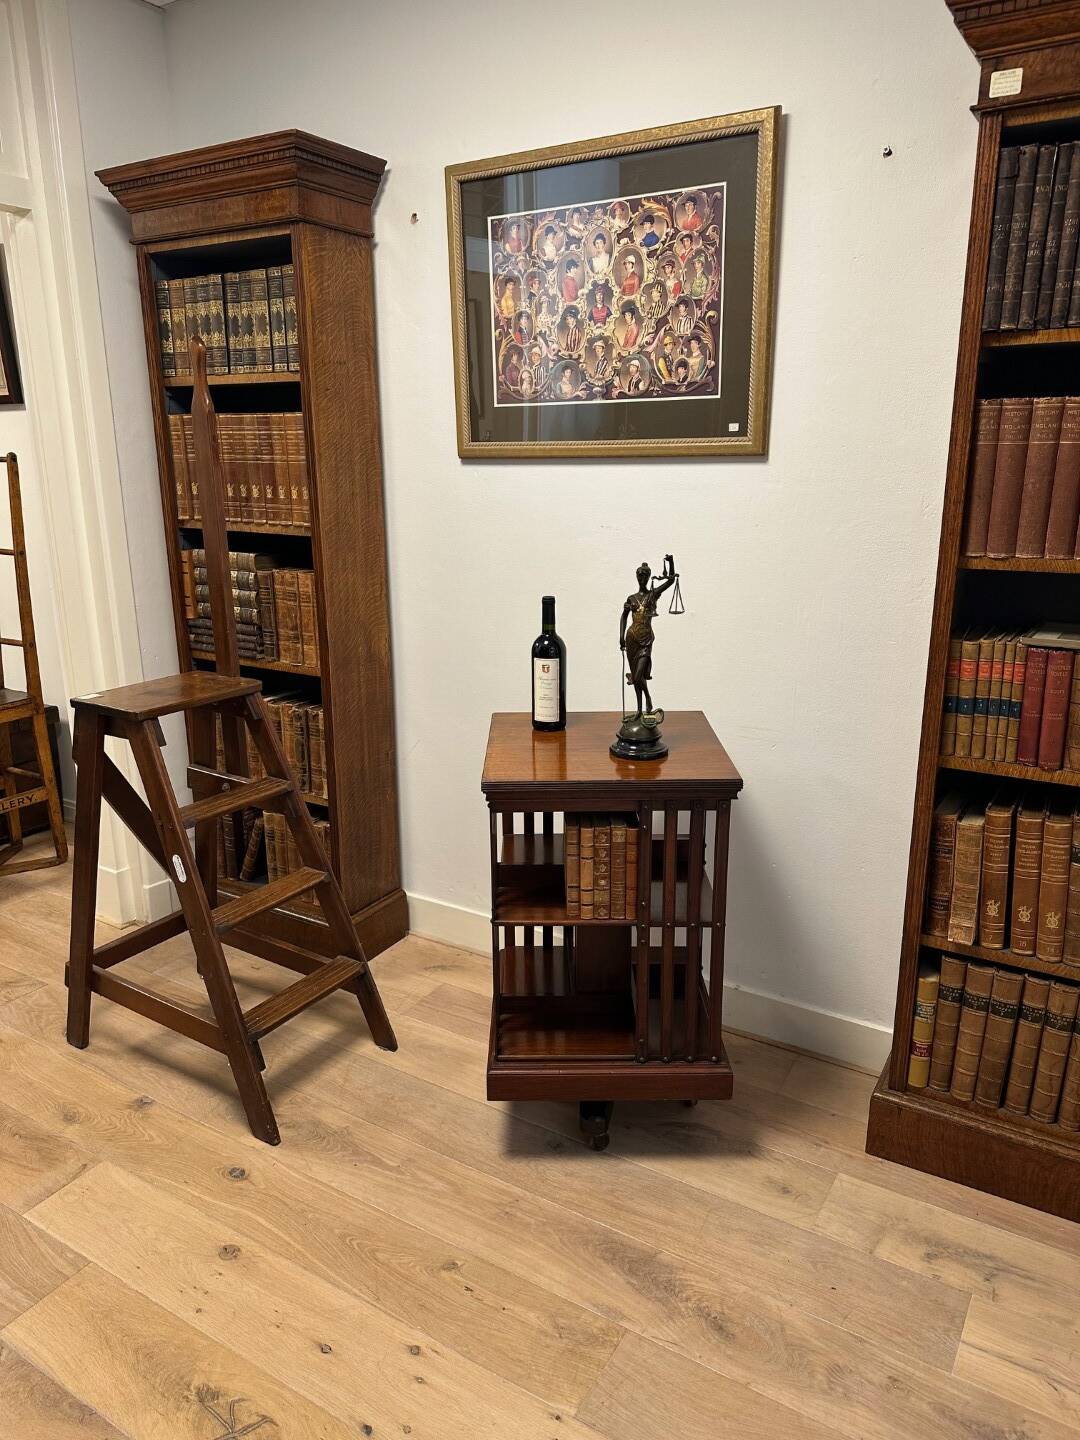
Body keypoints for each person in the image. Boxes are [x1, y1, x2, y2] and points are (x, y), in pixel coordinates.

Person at [619, 557, 678, 717]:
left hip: (646, 640)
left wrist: (670, 563)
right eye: (640, 576)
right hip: (631, 639)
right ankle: (639, 709)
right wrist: (621, 637)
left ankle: (648, 699)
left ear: (648, 577)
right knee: (636, 677)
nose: (642, 579)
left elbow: (671, 581)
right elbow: (623, 617)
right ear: (636, 577)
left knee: (638, 676)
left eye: (645, 576)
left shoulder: (653, 594)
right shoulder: (631, 598)